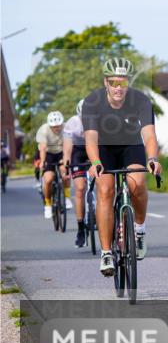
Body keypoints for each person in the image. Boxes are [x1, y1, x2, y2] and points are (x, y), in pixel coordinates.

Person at [83, 58, 161, 276]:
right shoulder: (92, 102)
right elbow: (90, 139)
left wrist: (153, 158)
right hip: (104, 149)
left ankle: (139, 229)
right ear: (106, 83)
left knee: (137, 183)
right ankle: (106, 253)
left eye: (123, 83)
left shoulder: (141, 101)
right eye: (114, 83)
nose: (119, 88)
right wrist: (96, 163)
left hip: (130, 146)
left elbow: (149, 135)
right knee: (105, 190)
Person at [62, 99, 92, 247]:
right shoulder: (72, 123)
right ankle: (81, 228)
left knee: (105, 184)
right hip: (78, 152)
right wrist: (66, 164)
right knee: (80, 188)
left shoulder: (100, 120)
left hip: (95, 150)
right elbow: (67, 147)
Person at [36, 111, 68, 220]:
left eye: (58, 126)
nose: (57, 128)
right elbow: (43, 148)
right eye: (54, 127)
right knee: (48, 179)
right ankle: (48, 204)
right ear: (50, 126)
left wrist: (66, 159)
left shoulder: (66, 128)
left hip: (61, 151)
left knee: (65, 173)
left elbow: (68, 144)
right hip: (48, 153)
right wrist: (42, 162)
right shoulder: (44, 130)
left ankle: (67, 197)